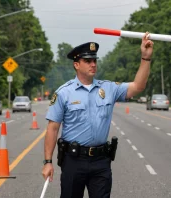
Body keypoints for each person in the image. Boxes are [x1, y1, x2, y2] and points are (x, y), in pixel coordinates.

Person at [42, 32, 154, 198]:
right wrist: (48, 162)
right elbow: (52, 128)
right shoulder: (64, 93)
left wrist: (145, 58)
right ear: (76, 65)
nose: (93, 64)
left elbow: (138, 86)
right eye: (87, 61)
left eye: (94, 60)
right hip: (73, 160)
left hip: (100, 161)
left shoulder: (108, 88)